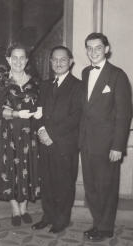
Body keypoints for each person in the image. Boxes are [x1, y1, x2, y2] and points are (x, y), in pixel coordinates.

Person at [78, 33, 132, 242]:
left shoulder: (117, 75)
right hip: (87, 142)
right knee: (91, 187)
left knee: (106, 188)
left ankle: (106, 227)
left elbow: (124, 114)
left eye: (98, 48)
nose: (93, 52)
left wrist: (118, 146)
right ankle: (97, 223)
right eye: (89, 48)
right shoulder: (84, 72)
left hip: (108, 143)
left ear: (106, 49)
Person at [32, 46, 82, 234]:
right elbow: (37, 113)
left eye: (63, 59)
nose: (59, 63)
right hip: (45, 144)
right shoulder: (44, 85)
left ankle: (61, 220)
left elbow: (74, 117)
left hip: (64, 144)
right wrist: (42, 131)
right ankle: (48, 216)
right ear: (50, 62)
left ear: (70, 62)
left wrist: (50, 134)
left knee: (64, 184)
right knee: (47, 183)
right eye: (55, 59)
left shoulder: (78, 86)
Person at [0, 43, 41, 227]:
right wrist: (14, 114)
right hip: (7, 133)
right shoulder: (0, 80)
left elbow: (41, 105)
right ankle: (14, 208)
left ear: (27, 60)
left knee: (27, 166)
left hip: (30, 133)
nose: (18, 61)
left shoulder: (35, 82)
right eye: (14, 57)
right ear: (8, 59)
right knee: (9, 167)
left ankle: (24, 207)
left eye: (22, 57)